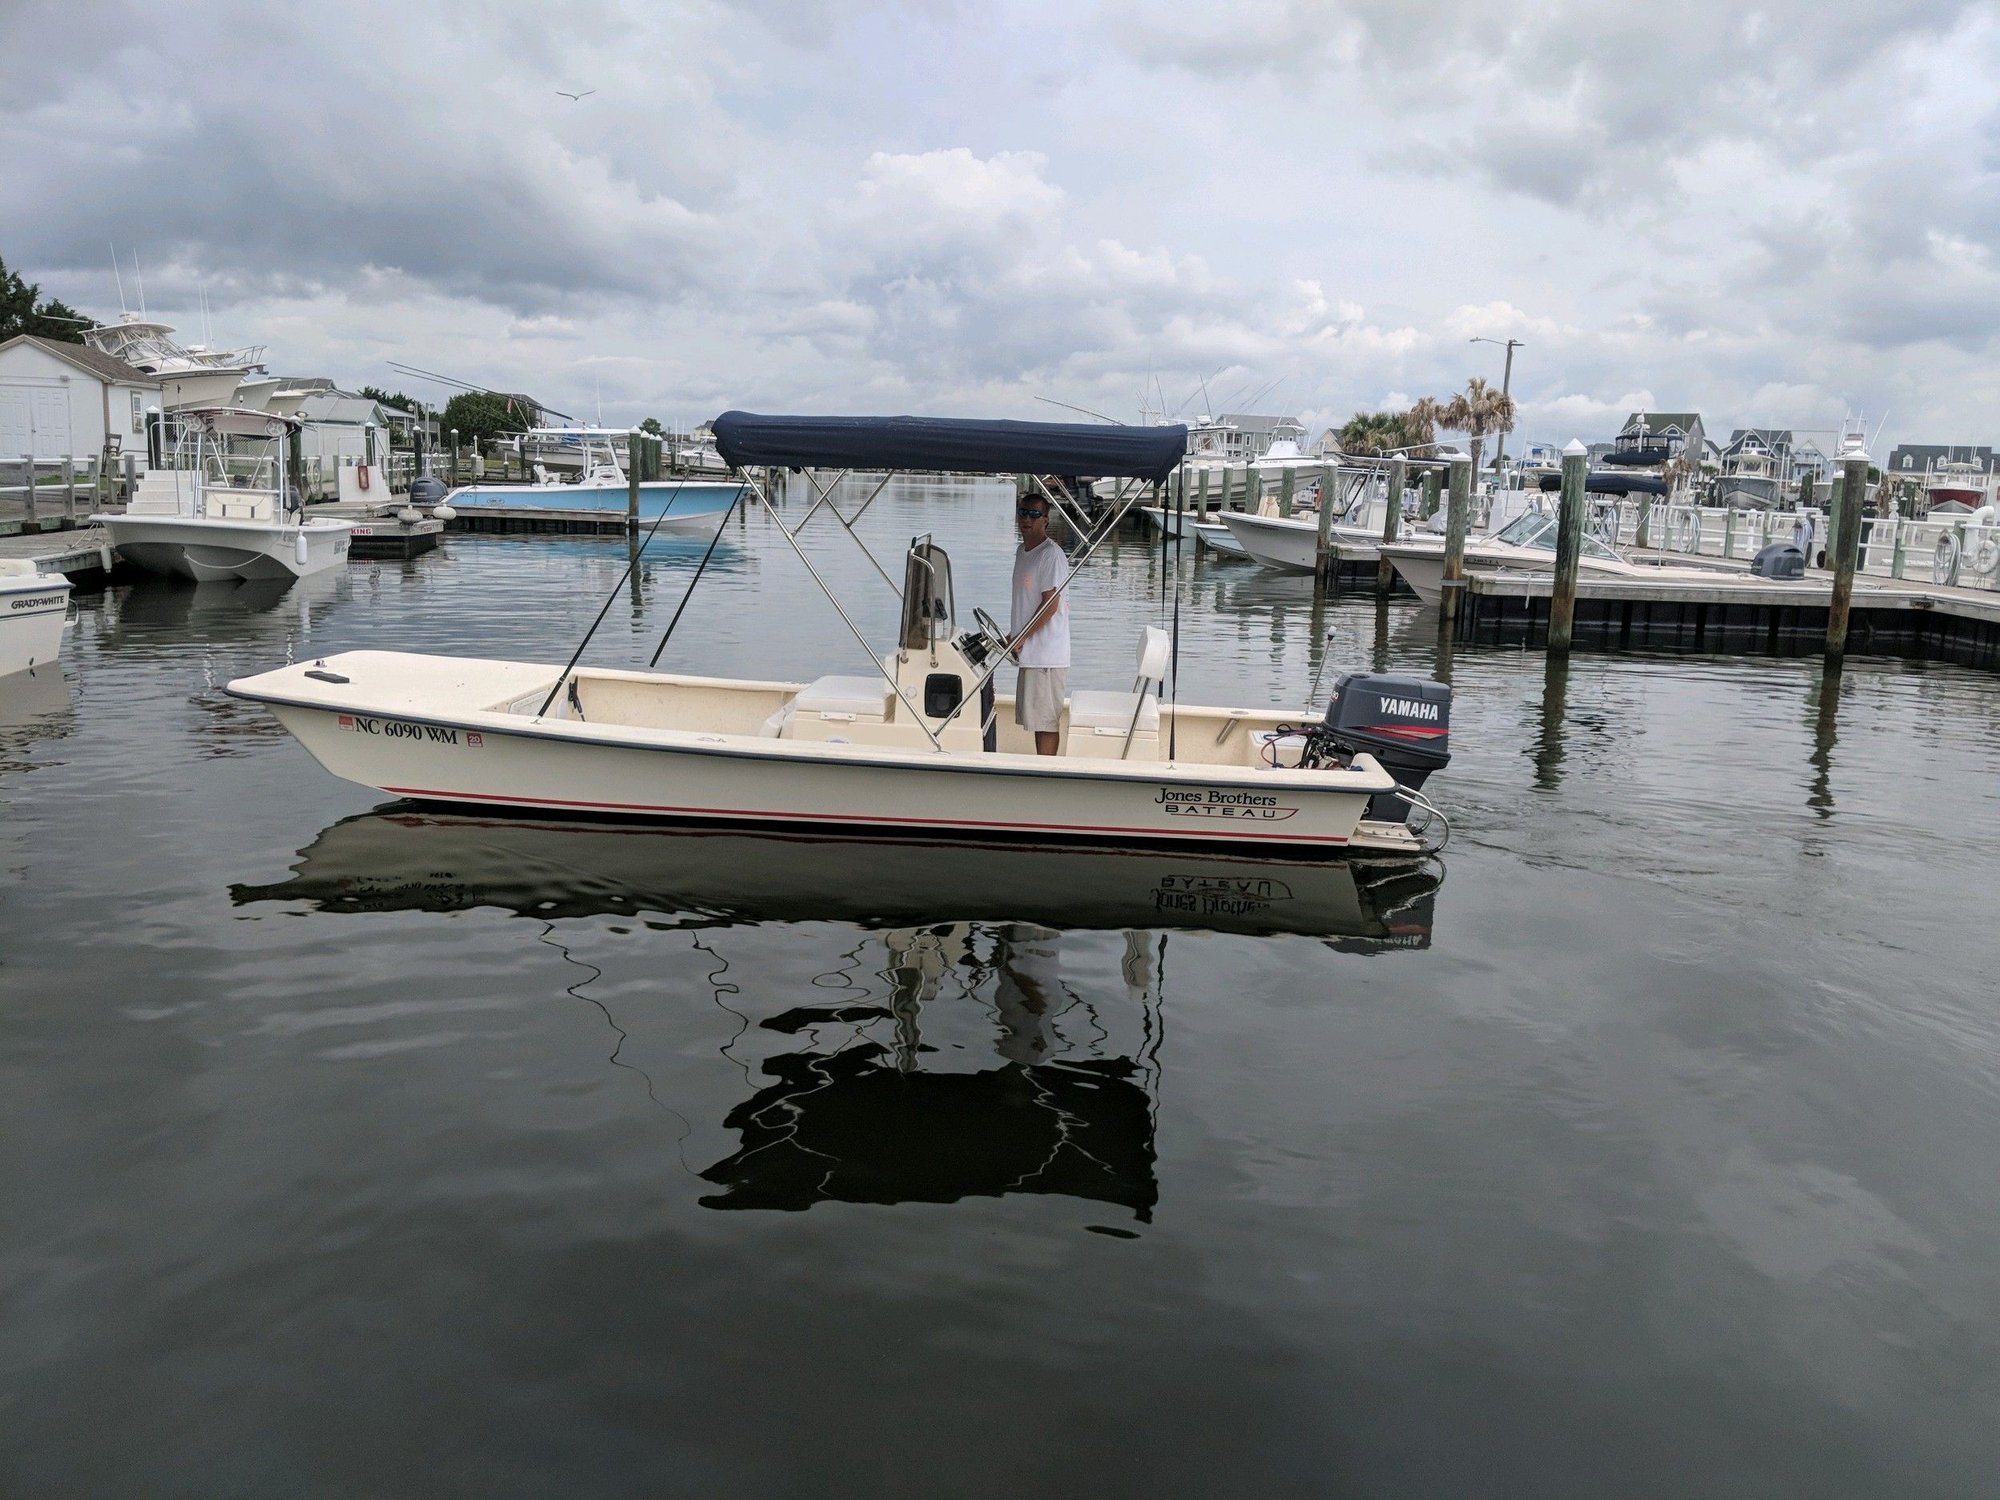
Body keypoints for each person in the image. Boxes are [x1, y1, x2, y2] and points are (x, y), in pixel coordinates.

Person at [1009, 489, 1070, 755]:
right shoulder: (1022, 552)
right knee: (1037, 721)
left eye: (1034, 514)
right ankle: (1039, 768)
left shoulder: (1050, 554)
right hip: (1029, 653)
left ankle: (1047, 775)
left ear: (1045, 520)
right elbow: (1026, 602)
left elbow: (1050, 604)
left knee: (1046, 722)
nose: (1027, 519)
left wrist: (1022, 636)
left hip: (1046, 655)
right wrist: (1012, 635)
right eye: (1023, 512)